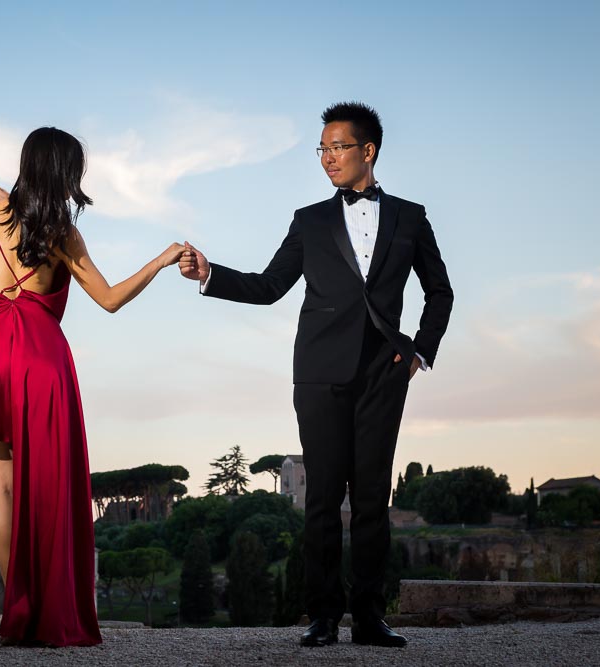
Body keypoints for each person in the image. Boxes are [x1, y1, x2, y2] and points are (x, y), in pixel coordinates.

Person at [179, 102, 453, 648]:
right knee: (324, 498)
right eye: (321, 150)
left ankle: (370, 618)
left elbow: (440, 290)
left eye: (338, 148)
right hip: (319, 373)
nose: (327, 158)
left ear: (368, 151)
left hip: (385, 371)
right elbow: (268, 285)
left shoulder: (411, 217)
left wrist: (418, 352)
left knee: (373, 499)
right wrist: (210, 275)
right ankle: (324, 617)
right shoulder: (310, 220)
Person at [0, 127, 184, 647]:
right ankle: (49, 610)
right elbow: (110, 299)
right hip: (43, 365)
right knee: (51, 491)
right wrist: (160, 260)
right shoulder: (63, 234)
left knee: (0, 487)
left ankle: (19, 607)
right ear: (65, 174)